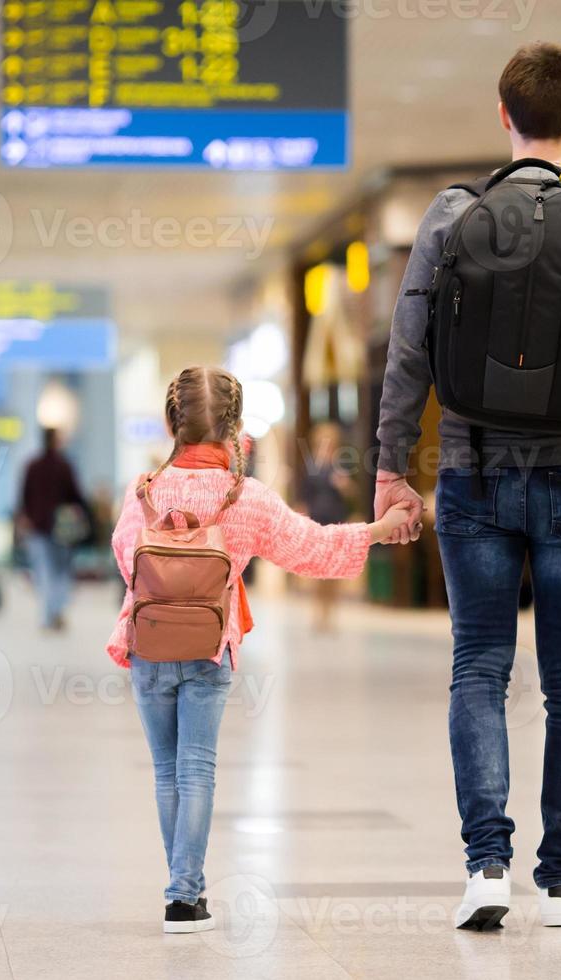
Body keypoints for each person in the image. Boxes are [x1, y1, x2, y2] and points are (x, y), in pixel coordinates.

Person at [374, 42, 561, 929]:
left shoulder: (452, 216)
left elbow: (409, 352)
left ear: (504, 116)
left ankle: (486, 867)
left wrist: (392, 466)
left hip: (473, 473)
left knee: (478, 669)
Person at [107, 366, 413, 934]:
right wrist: (377, 529)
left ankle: (184, 888)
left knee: (166, 771)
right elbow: (313, 548)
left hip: (147, 645)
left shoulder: (143, 490)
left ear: (174, 423)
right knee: (197, 768)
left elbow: (127, 559)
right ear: (235, 428)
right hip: (207, 649)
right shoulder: (243, 497)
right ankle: (183, 896)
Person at [18, 427, 87, 629]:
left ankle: (49, 615)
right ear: (55, 440)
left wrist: (25, 518)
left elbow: (24, 496)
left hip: (38, 526)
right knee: (61, 572)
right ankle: (56, 611)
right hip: (62, 528)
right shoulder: (64, 465)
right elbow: (76, 495)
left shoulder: (32, 465)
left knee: (44, 572)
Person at [297, 422, 357, 627]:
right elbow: (304, 495)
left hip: (336, 519)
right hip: (317, 521)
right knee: (318, 568)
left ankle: (331, 612)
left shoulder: (342, 463)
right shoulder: (311, 465)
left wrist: (345, 486)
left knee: (335, 569)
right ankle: (318, 611)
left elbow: (353, 495)